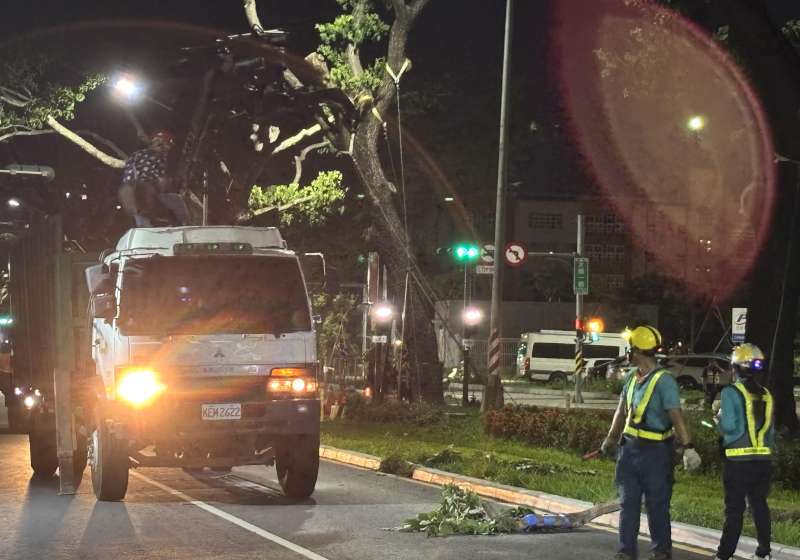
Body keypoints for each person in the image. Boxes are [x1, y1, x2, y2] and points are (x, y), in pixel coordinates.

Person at [601, 325, 701, 560]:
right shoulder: (631, 378)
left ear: (637, 351)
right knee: (628, 503)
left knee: (657, 505)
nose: (628, 352)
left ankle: (661, 552)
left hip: (656, 454)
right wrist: (610, 439)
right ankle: (626, 551)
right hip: (628, 450)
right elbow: (621, 412)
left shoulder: (665, 382)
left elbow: (676, 416)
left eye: (630, 348)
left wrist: (689, 448)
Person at [713, 343, 775, 560]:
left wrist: (718, 421)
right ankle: (764, 552)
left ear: (736, 368)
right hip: (763, 461)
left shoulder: (730, 392)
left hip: (738, 463)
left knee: (734, 511)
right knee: (760, 505)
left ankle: (724, 555)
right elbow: (771, 432)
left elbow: (730, 427)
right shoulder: (767, 395)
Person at [119, 130, 188, 227]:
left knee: (176, 200)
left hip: (146, 194)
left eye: (167, 146)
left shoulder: (161, 159)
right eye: (162, 145)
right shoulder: (145, 155)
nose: (165, 149)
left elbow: (161, 180)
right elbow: (133, 174)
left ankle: (178, 225)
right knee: (148, 195)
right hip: (140, 191)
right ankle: (146, 223)